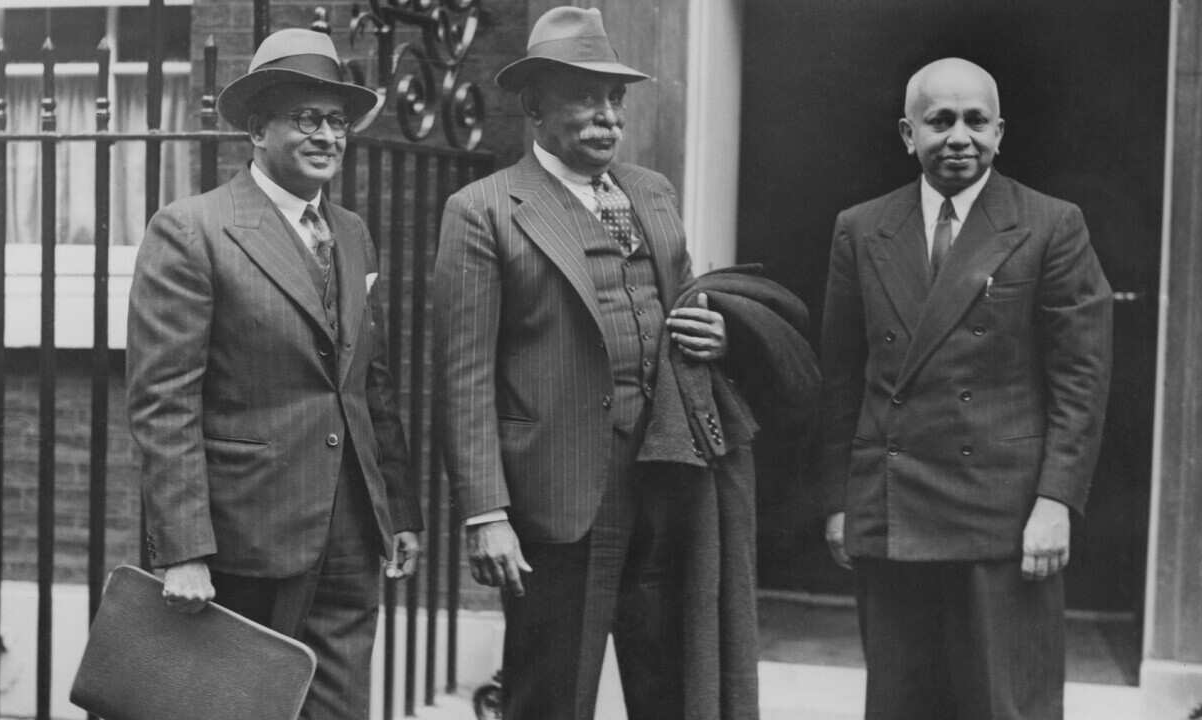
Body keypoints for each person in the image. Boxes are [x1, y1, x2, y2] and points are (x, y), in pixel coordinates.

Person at [432, 7, 748, 719]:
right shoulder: (484, 209)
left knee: (672, 686)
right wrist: (487, 512)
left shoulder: (652, 192)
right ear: (536, 106)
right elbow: (463, 375)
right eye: (586, 98)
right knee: (552, 695)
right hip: (558, 496)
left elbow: (678, 305)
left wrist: (712, 336)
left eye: (616, 100)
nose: (607, 118)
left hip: (666, 483)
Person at [126, 28, 421, 720]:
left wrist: (398, 511)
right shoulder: (193, 229)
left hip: (350, 528)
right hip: (245, 536)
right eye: (307, 119)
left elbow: (367, 380)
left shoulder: (349, 232)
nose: (327, 137)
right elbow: (163, 401)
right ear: (258, 129)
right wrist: (184, 550)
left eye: (338, 122)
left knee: (339, 708)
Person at [818, 57, 1113, 720]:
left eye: (976, 120)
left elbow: (1081, 380)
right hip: (891, 504)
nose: (959, 136)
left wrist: (1056, 501)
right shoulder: (861, 228)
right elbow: (840, 375)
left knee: (1004, 704)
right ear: (907, 133)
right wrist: (838, 499)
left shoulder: (1050, 223)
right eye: (939, 120)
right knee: (901, 702)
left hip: (1004, 512)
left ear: (1000, 132)